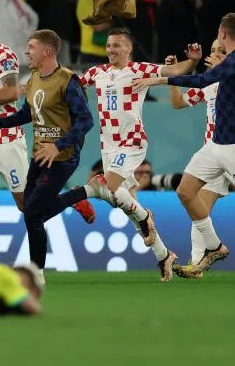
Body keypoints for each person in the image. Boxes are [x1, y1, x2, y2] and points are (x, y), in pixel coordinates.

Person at [131, 13, 235, 277]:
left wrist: (160, 79)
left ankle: (207, 252)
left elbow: (201, 80)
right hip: (215, 145)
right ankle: (213, 247)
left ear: (223, 33)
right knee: (186, 191)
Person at [0, 30, 96, 281]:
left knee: (31, 212)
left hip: (62, 157)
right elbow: (25, 115)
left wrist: (58, 146)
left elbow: (86, 120)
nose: (26, 52)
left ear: (47, 52)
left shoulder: (69, 81)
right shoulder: (34, 79)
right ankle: (37, 272)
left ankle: (36, 273)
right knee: (31, 211)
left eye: (31, 47)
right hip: (40, 154)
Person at [77, 28, 199, 280]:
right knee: (128, 207)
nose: (111, 50)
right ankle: (164, 255)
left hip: (131, 143)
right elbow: (70, 86)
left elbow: (174, 72)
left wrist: (194, 61)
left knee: (109, 185)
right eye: (109, 45)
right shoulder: (97, 73)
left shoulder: (139, 70)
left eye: (117, 45)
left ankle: (145, 216)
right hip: (108, 146)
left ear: (128, 49)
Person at [168, 40, 233, 272]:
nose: (215, 54)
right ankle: (196, 264)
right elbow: (177, 103)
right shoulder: (208, 84)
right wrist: (175, 74)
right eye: (213, 50)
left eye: (222, 51)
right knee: (198, 207)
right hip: (213, 154)